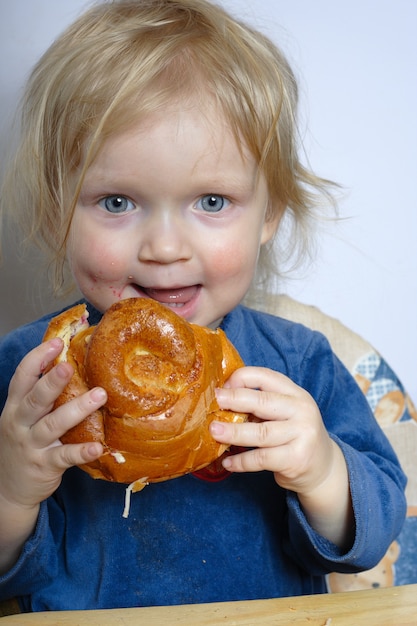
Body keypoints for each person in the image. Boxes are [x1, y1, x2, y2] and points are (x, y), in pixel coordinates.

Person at [0, 0, 406, 613]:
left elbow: (380, 536)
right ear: (61, 211)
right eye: (116, 203)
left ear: (269, 214)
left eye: (211, 201)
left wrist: (322, 472)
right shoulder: (32, 372)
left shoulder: (299, 361)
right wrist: (11, 489)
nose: (165, 248)